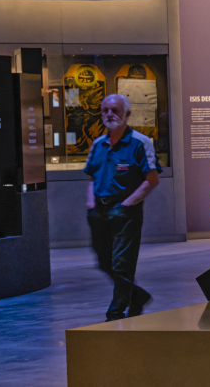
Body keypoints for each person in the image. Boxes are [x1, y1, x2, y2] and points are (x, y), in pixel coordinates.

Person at [85, 92, 160, 320]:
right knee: (103, 261)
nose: (109, 114)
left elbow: (152, 179)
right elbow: (92, 177)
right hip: (99, 211)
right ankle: (137, 295)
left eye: (114, 110)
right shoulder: (98, 144)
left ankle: (116, 309)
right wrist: (90, 204)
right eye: (105, 110)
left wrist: (127, 204)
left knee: (121, 264)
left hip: (125, 212)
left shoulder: (139, 143)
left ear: (126, 114)